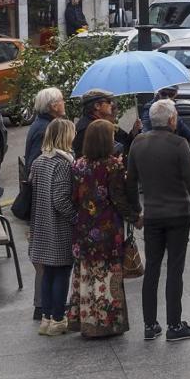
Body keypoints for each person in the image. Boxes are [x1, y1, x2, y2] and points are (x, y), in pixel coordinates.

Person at [125, 100, 190, 342]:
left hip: (153, 214)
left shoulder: (138, 143)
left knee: (153, 269)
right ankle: (174, 324)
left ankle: (150, 324)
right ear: (171, 120)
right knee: (175, 270)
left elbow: (130, 181)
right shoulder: (179, 144)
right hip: (177, 213)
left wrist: (136, 212)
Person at [69, 120, 137, 338]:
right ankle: (107, 322)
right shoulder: (112, 166)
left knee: (87, 273)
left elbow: (74, 196)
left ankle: (87, 322)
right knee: (107, 274)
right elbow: (118, 198)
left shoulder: (78, 164)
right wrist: (134, 217)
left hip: (83, 227)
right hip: (107, 228)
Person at [28, 119, 77, 337]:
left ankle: (46, 318)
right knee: (62, 272)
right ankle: (58, 318)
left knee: (48, 271)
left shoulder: (39, 161)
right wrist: (76, 218)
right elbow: (60, 199)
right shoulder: (63, 164)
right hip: (59, 227)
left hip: (41, 225)